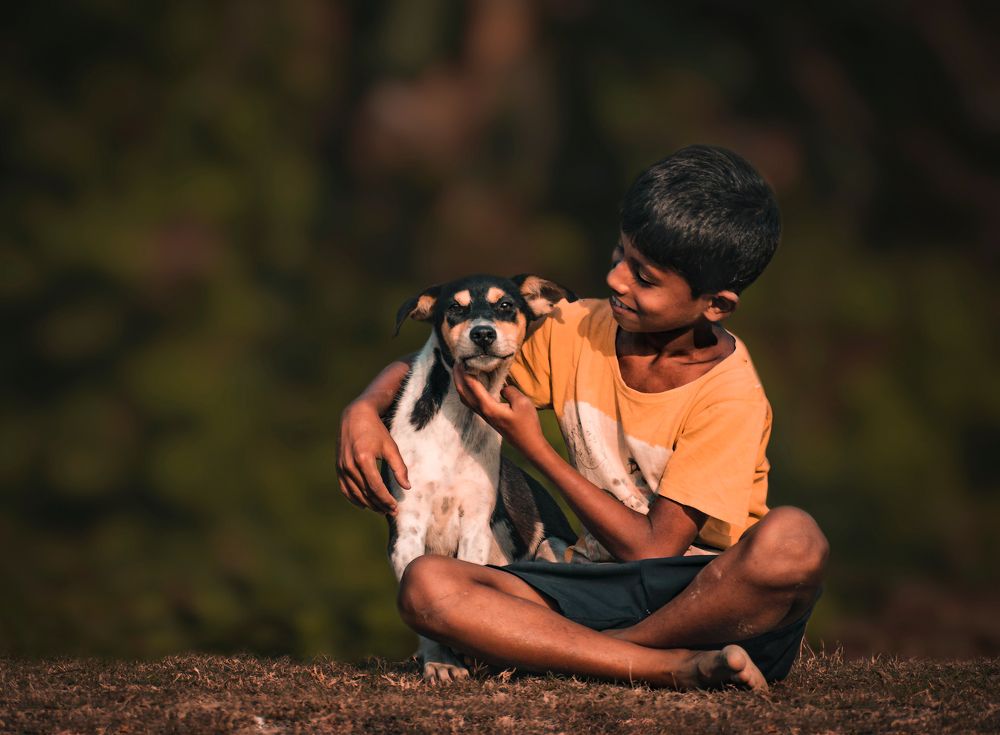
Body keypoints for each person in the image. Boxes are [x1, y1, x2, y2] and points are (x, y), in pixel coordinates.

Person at [337, 145, 828, 691]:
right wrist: (364, 408)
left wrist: (538, 450)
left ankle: (603, 653)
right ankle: (657, 663)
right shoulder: (578, 331)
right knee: (427, 584)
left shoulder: (730, 397)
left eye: (644, 278)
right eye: (619, 256)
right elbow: (451, 356)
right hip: (588, 583)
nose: (617, 280)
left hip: (704, 595)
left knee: (795, 539)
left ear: (715, 305)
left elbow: (651, 552)